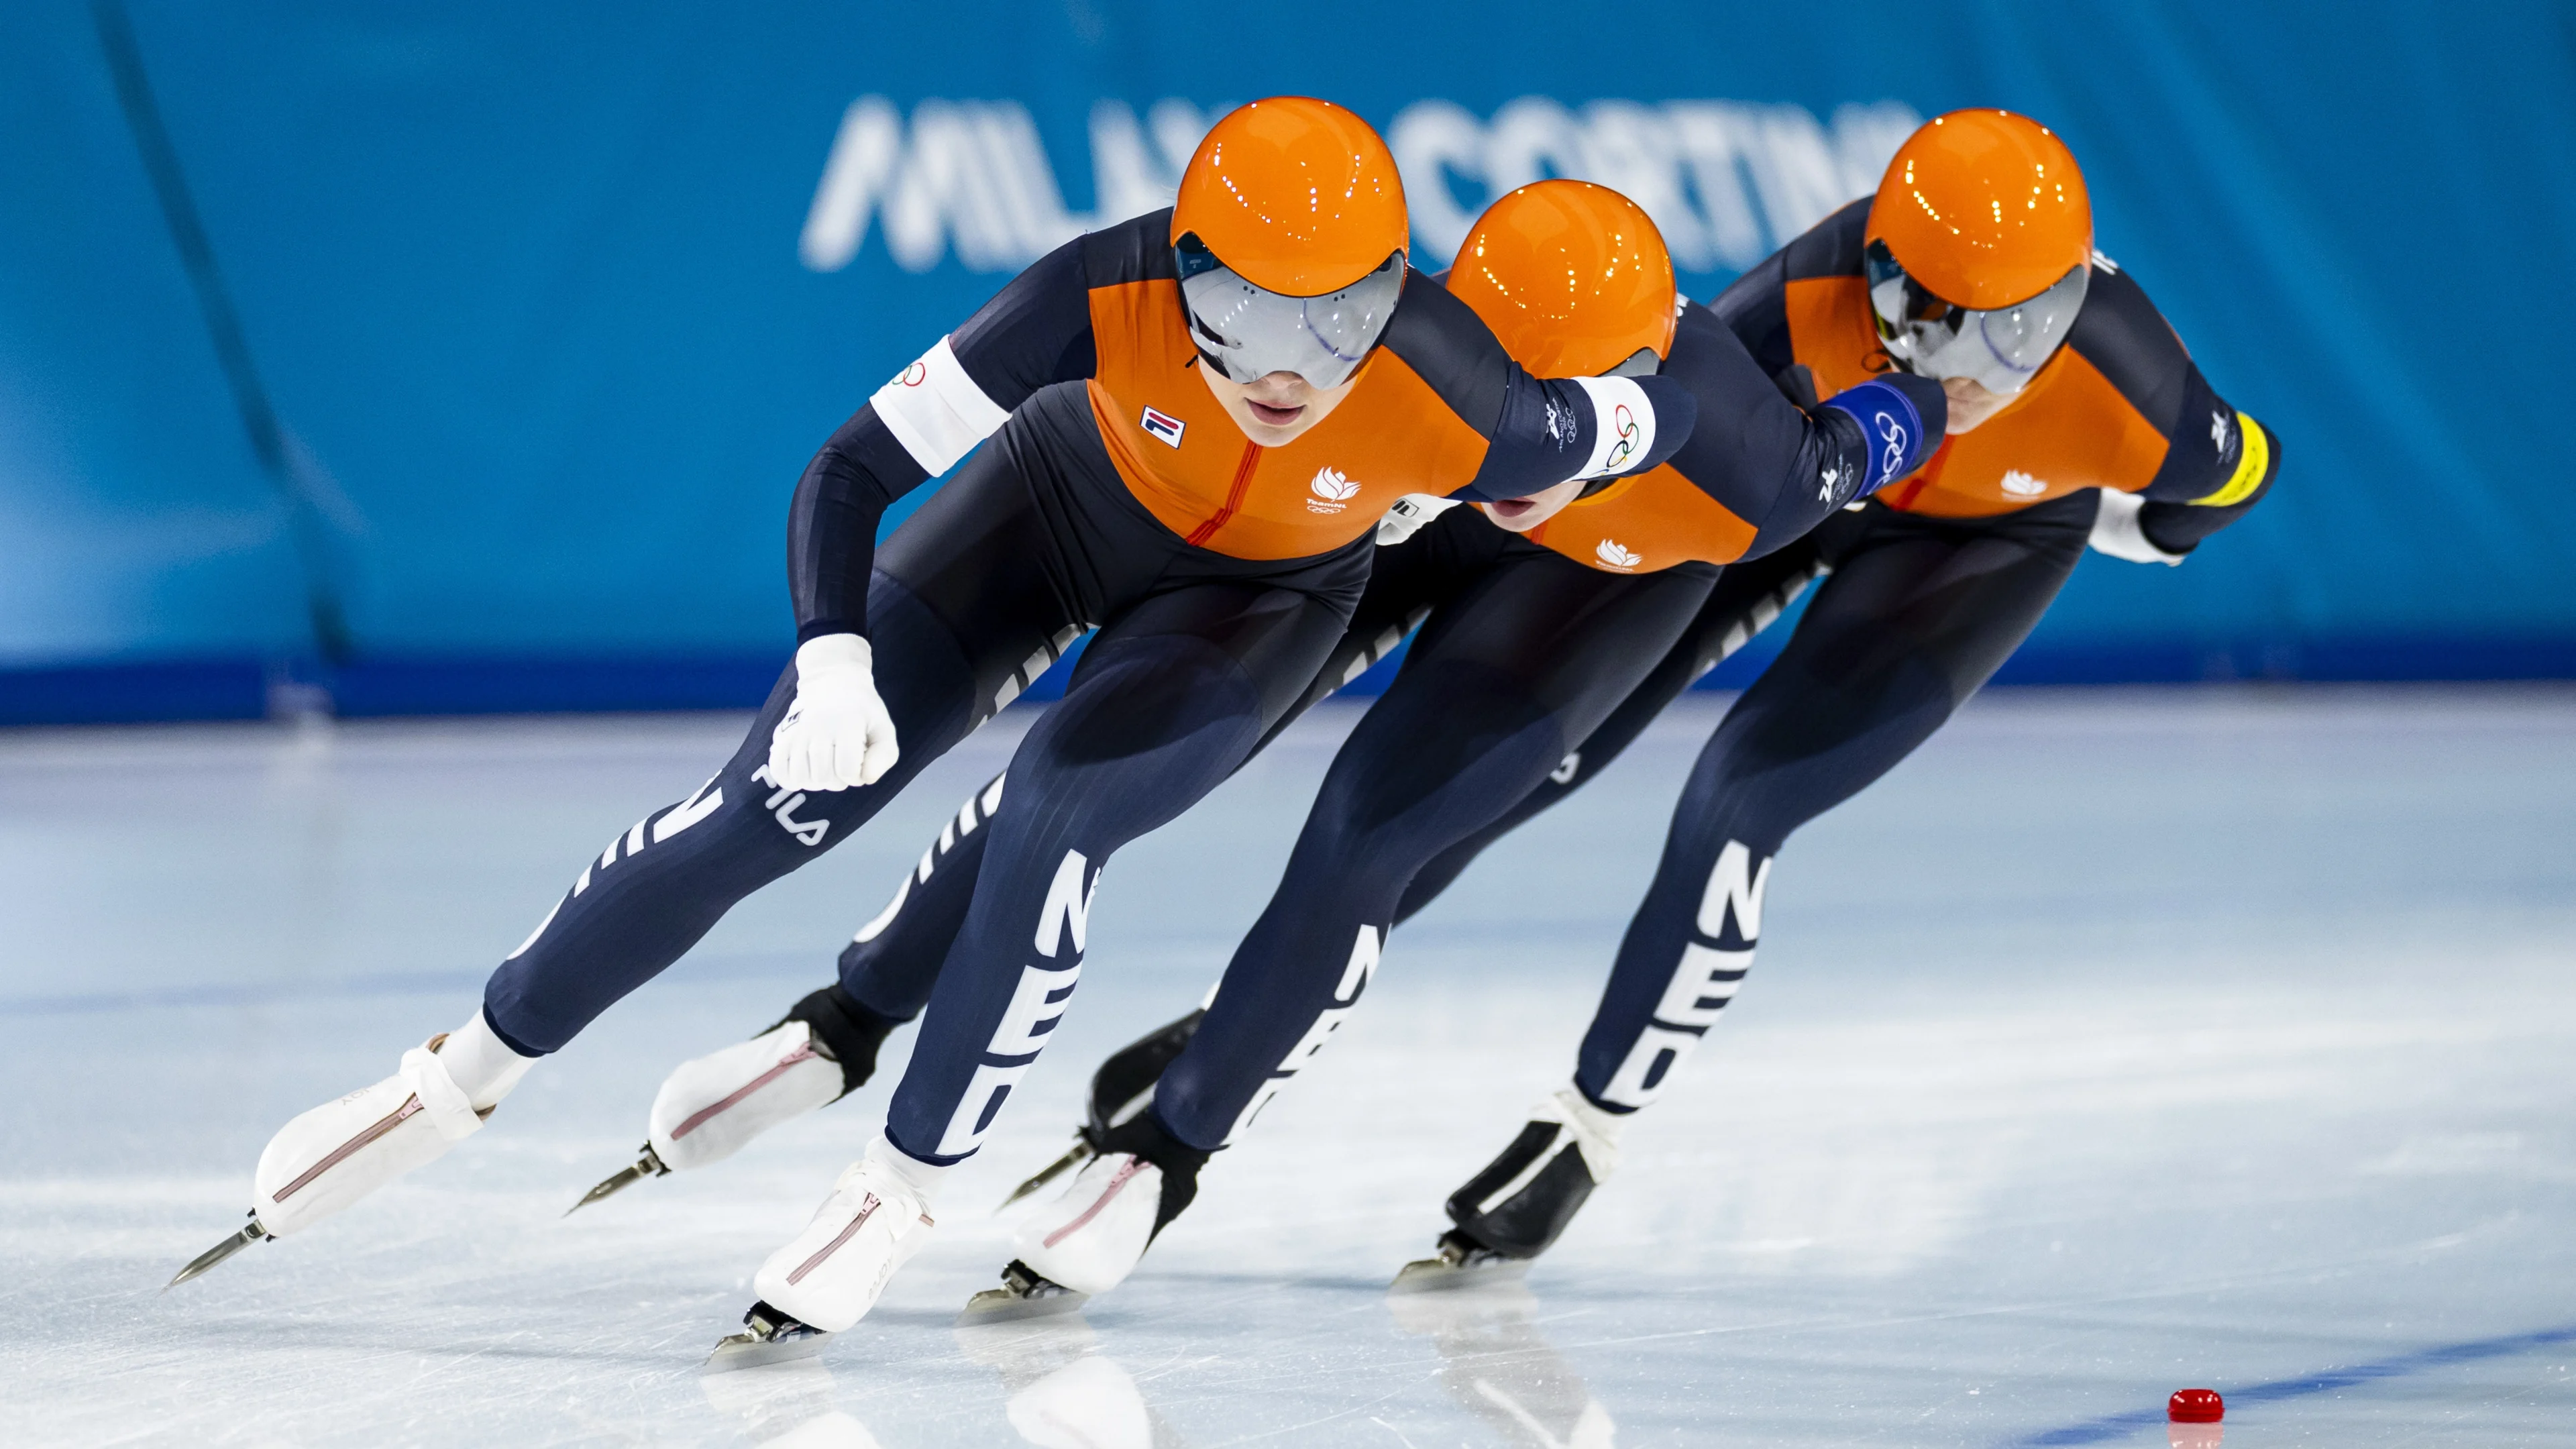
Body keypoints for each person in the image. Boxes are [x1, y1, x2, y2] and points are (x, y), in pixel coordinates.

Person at [170, 99, 1704, 1342]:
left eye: (1348, 311)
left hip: (1252, 612)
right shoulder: (1091, 293)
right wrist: (834, 654)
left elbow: (1641, 414)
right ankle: (456, 1074)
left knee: (1053, 822)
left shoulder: (1460, 382)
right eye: (1249, 308)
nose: (1297, 362)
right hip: (1046, 513)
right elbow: (849, 470)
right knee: (775, 800)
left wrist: (1660, 426)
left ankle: (896, 1189)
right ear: (1181, 271)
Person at [796, 105, 2282, 1296]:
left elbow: (2225, 479)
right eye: (1920, 312)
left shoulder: (2125, 383)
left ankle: (1563, 1126)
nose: (1964, 364)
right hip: (1699, 499)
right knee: (1284, 735)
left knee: (1727, 796)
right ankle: (945, 1003)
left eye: (2012, 332)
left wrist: (2117, 519)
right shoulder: (1737, 349)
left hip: (1944, 542)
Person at [586, 180, 1948, 1324]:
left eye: (1561, 406)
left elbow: (1874, 439)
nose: (1519, 430)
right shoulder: (1425, 373)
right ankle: (855, 1015)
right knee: (1082, 772)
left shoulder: (1753, 469)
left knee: (1371, 840)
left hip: (1596, 593)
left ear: (1637, 385)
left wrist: (1935, 404)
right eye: (1500, 377)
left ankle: (1173, 1150)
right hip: (1403, 527)